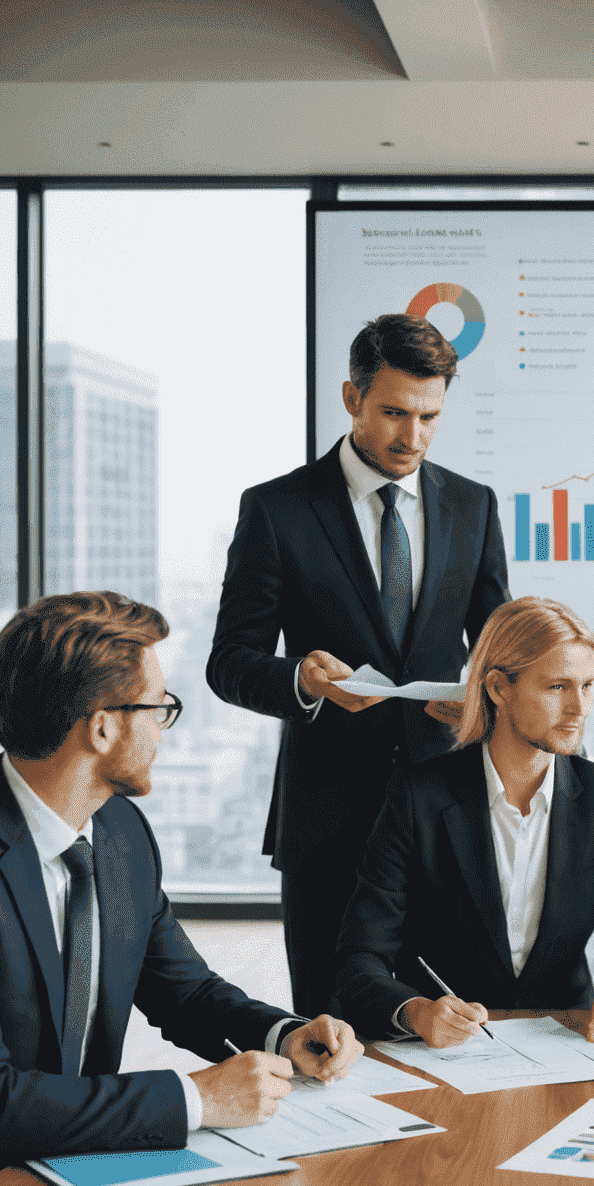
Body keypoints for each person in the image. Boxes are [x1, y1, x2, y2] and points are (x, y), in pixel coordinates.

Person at [0, 593, 362, 1186]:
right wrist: (197, 1099)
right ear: (102, 726)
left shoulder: (119, 833)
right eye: (160, 709)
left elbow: (187, 993)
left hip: (80, 1185)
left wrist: (285, 1035)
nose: (162, 730)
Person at [207, 313, 509, 1018]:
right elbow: (230, 661)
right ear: (352, 399)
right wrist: (300, 682)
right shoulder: (278, 510)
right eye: (395, 413)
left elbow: (503, 647)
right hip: (328, 820)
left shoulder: (473, 505)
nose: (413, 437)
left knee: (449, 1024)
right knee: (331, 1029)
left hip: (446, 814)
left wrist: (480, 699)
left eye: (430, 416)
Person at [335, 598, 594, 1047]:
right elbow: (359, 960)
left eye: (587, 685)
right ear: (498, 687)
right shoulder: (418, 797)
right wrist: (417, 1012)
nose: (580, 708)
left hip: (571, 1044)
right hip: (448, 1054)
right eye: (557, 688)